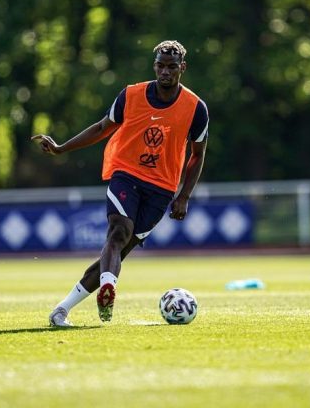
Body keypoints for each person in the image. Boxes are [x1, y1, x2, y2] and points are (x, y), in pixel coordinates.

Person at [31, 40, 209, 326]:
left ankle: (62, 309)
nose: (165, 72)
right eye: (160, 66)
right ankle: (108, 287)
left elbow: (197, 155)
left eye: (172, 67)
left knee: (118, 251)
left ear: (182, 68)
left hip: (161, 188)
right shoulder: (131, 95)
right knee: (118, 232)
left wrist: (184, 195)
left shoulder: (196, 108)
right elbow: (103, 127)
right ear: (154, 66)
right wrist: (62, 148)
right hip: (126, 173)